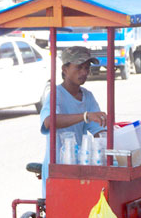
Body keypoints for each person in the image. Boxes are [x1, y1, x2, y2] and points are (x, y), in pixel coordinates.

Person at [40, 46, 107, 197]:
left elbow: (99, 131)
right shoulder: (55, 95)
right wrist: (85, 116)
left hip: (79, 166)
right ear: (65, 69)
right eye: (79, 67)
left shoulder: (87, 96)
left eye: (87, 67)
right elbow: (49, 122)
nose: (84, 72)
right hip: (57, 166)